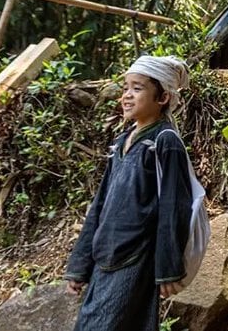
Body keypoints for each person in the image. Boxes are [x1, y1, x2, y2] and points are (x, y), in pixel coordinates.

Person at [65, 56, 193, 331]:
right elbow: (100, 205)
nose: (126, 96)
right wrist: (80, 263)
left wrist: (167, 267)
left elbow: (174, 207)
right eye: (125, 88)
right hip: (105, 256)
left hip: (135, 258)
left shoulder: (164, 142)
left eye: (137, 88)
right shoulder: (122, 142)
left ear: (162, 97)